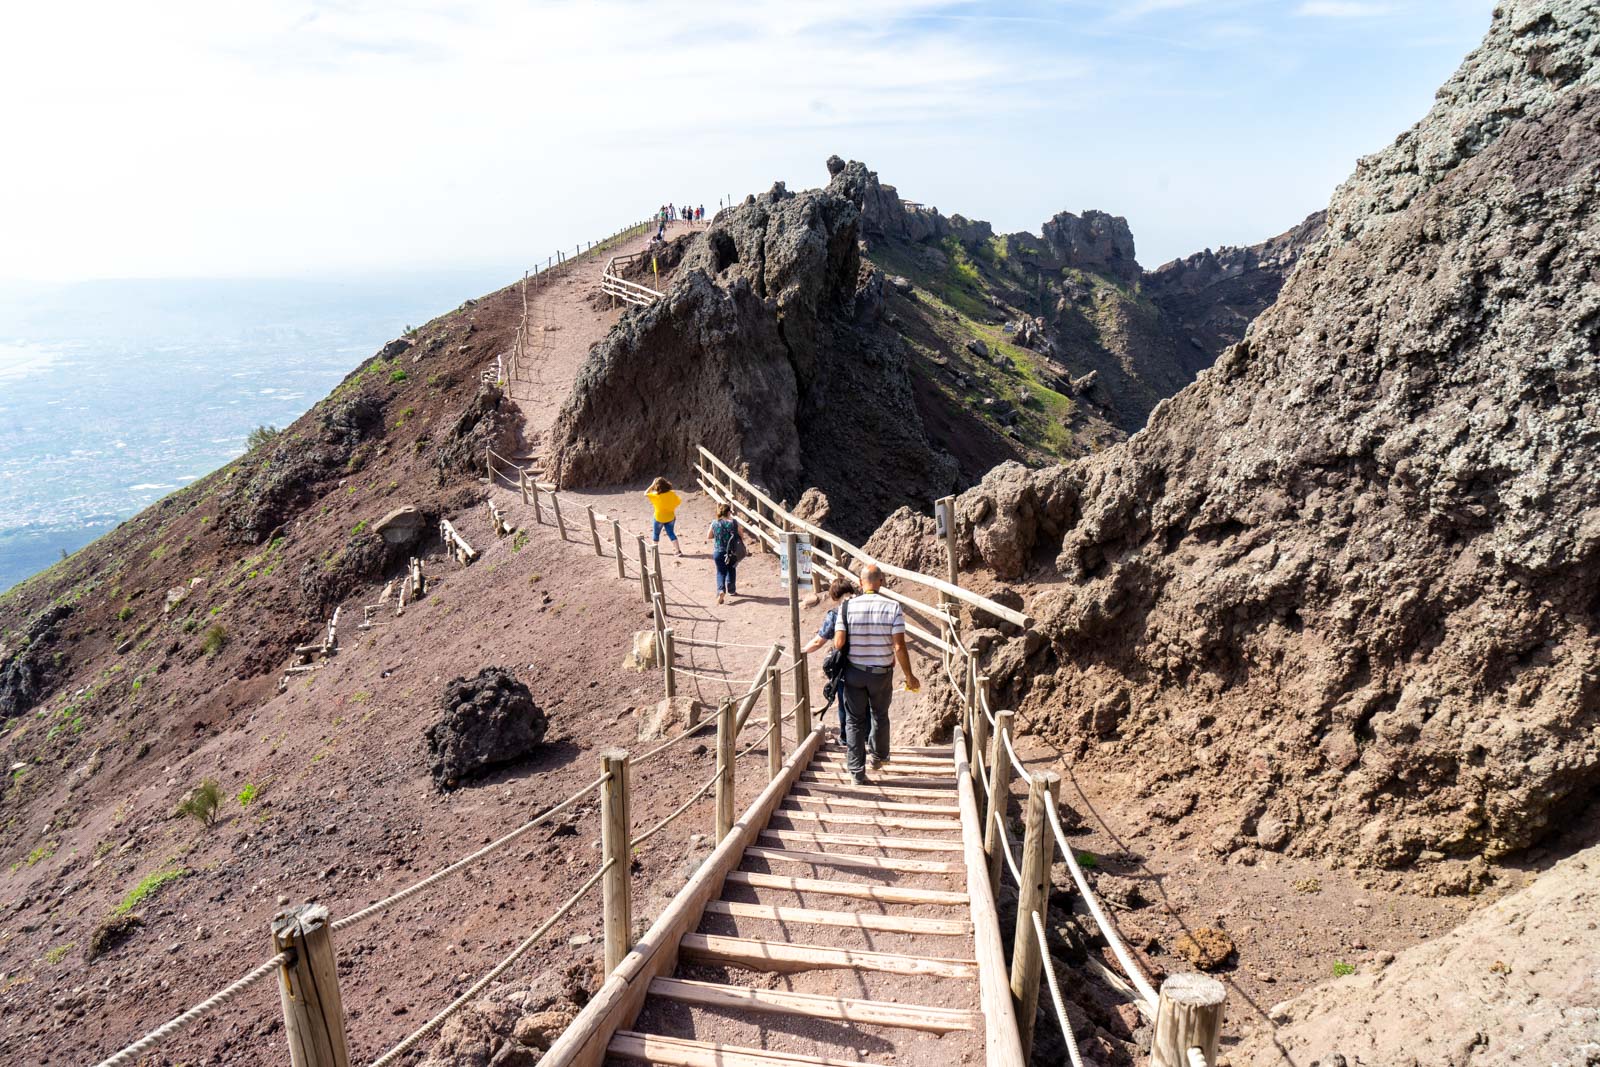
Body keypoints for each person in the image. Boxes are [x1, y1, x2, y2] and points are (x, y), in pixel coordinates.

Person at [833, 564, 920, 784]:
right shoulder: (893, 607)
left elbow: (839, 642)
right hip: (881, 673)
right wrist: (909, 676)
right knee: (879, 714)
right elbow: (899, 646)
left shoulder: (846, 607)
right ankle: (879, 758)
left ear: (861, 583)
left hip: (854, 672)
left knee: (854, 720)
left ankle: (856, 773)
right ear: (881, 581)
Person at [802, 576, 856, 742]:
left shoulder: (835, 614)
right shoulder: (864, 607)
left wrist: (803, 651)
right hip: (868, 661)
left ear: (834, 596)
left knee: (845, 702)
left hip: (845, 664)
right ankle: (868, 739)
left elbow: (819, 640)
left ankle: (847, 738)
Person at [706, 503, 743, 604]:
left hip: (718, 551)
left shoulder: (714, 523)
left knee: (721, 572)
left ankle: (721, 590)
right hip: (732, 551)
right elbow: (741, 534)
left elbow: (709, 536)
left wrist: (719, 536)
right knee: (731, 569)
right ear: (728, 512)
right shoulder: (733, 523)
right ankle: (732, 590)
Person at [645, 477, 683, 556]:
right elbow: (678, 501)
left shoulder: (656, 495)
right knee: (671, 533)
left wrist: (652, 485)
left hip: (659, 518)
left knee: (656, 534)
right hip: (670, 517)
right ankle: (678, 550)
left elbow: (645, 493)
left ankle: (654, 549)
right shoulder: (672, 493)